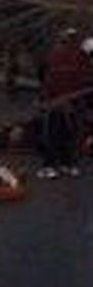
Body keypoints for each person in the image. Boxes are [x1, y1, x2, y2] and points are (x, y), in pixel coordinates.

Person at [38, 28, 90, 179]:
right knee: (65, 133)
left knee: (58, 133)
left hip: (63, 100)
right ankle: (63, 164)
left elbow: (47, 77)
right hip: (65, 100)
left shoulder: (57, 55)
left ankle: (56, 165)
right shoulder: (77, 56)